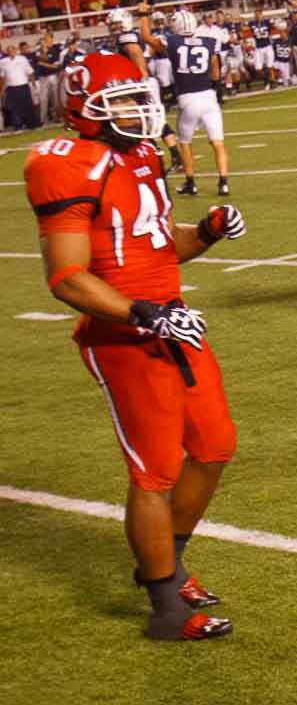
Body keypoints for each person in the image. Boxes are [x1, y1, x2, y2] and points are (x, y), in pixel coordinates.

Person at [24, 52, 248, 639]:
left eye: (136, 97)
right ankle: (165, 610)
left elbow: (157, 245)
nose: (136, 110)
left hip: (172, 322)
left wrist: (205, 232)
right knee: (154, 471)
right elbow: (67, 277)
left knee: (215, 445)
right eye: (119, 101)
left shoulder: (143, 154)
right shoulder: (66, 164)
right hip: (123, 334)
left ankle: (166, 563)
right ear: (84, 108)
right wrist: (141, 315)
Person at [140, 8, 230, 196]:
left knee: (185, 142)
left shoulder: (172, 42)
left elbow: (146, 37)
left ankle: (191, 182)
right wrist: (216, 86)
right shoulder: (209, 41)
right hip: (208, 96)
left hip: (187, 98)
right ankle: (223, 183)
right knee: (218, 142)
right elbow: (215, 66)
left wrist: (143, 15)